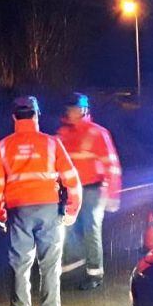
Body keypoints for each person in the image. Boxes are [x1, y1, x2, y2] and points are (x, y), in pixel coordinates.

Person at [0, 96, 82, 306]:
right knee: (50, 264)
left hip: (18, 211)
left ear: (14, 117)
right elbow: (72, 180)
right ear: (37, 116)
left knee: (20, 264)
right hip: (49, 209)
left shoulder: (2, 147)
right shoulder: (52, 144)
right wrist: (72, 209)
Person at [56, 92, 122, 290]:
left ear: (84, 110)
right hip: (70, 190)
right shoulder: (62, 133)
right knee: (66, 227)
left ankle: (95, 272)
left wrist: (112, 194)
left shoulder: (97, 133)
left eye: (75, 108)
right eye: (70, 109)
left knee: (91, 227)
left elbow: (112, 165)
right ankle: (75, 260)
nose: (72, 112)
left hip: (93, 189)